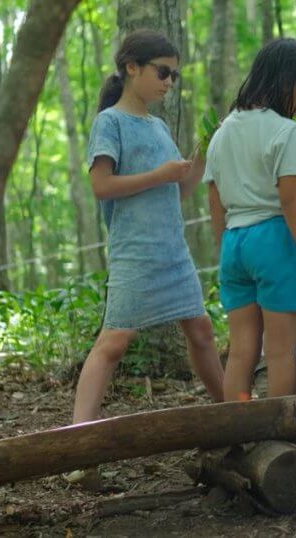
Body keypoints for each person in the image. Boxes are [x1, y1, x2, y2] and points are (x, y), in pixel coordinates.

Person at [68, 30, 226, 486]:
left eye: (174, 75)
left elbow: (181, 188)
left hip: (172, 251)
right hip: (135, 252)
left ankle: (235, 418)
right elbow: (102, 186)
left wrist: (199, 153)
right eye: (163, 72)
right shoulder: (110, 123)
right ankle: (80, 451)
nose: (169, 82)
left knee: (200, 330)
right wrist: (159, 173)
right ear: (131, 67)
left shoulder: (158, 127)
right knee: (113, 343)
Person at [204, 38, 296, 402]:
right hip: (274, 241)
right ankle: (280, 438)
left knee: (242, 351)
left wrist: (225, 249)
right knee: (280, 353)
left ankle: (240, 432)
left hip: (234, 243)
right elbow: (291, 200)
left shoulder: (223, 130)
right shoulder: (286, 132)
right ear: (287, 82)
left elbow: (215, 198)